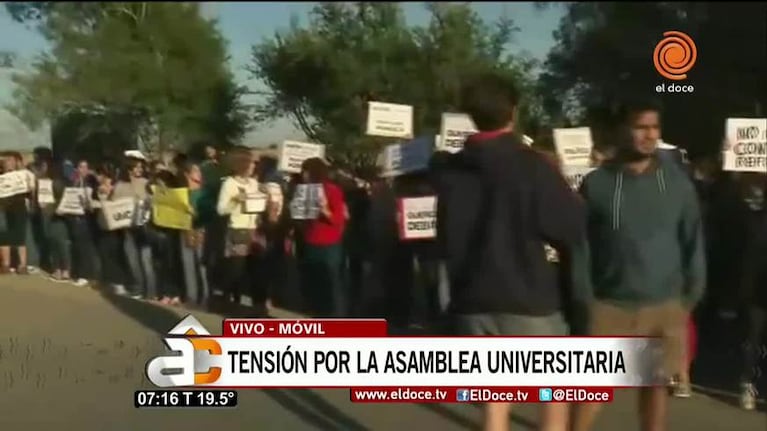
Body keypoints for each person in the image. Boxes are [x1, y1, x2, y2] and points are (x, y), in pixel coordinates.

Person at [433, 72, 586, 431]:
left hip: (472, 298)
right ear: (513, 112)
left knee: (494, 397)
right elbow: (569, 227)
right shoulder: (532, 166)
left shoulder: (450, 172)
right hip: (528, 297)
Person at [570, 99, 706, 431]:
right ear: (622, 131)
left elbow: (692, 241)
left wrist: (689, 298)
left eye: (654, 127)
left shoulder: (678, 184)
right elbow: (580, 246)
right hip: (608, 305)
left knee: (655, 390)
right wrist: (584, 297)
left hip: (665, 305)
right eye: (640, 127)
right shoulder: (596, 184)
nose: (649, 135)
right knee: (590, 393)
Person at [297, 157, 347, 317]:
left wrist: (325, 210)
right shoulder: (303, 191)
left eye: (305, 171)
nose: (302, 174)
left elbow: (338, 219)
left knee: (332, 283)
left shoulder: (333, 190)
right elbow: (300, 219)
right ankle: (318, 315)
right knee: (316, 282)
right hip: (311, 242)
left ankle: (336, 318)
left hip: (330, 243)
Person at [216, 147, 260, 310]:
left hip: (254, 230)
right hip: (238, 230)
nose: (254, 166)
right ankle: (231, 300)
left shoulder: (254, 183)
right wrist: (235, 201)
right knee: (237, 269)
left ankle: (252, 303)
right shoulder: (229, 184)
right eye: (251, 163)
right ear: (242, 164)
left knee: (253, 269)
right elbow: (221, 209)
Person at [113, 158, 155, 299]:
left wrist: (147, 202)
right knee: (132, 260)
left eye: (141, 167)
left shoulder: (145, 183)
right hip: (127, 227)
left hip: (143, 227)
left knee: (146, 260)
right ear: (129, 169)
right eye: (137, 167)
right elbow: (114, 203)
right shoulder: (120, 185)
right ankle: (138, 288)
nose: (140, 170)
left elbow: (152, 200)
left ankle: (150, 292)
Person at [178, 160, 209, 307]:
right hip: (185, 229)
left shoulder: (204, 192)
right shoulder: (182, 193)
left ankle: (206, 297)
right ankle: (192, 296)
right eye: (196, 171)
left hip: (201, 229)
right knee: (187, 264)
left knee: (202, 265)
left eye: (199, 171)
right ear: (187, 174)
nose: (199, 174)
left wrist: (195, 212)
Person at [0, 152, 32, 274]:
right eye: (7, 160)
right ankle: (6, 265)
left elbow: (29, 191)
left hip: (19, 208)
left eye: (11, 160)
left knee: (20, 236)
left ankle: (22, 265)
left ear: (16, 162)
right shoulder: (1, 175)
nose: (9, 162)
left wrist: (28, 186)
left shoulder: (22, 176)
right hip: (3, 208)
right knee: (4, 237)